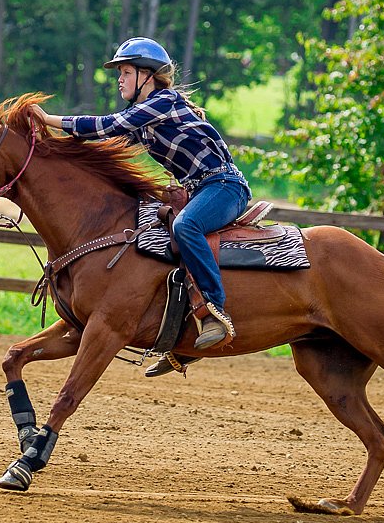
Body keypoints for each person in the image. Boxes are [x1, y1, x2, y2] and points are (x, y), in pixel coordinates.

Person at [30, 37, 252, 373]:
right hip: (199, 190)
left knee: (185, 227)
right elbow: (103, 138)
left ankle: (213, 312)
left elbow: (110, 125)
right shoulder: (146, 125)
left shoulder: (163, 102)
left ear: (148, 76)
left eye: (126, 71)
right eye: (119, 72)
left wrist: (49, 120)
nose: (119, 78)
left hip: (224, 187)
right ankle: (181, 335)